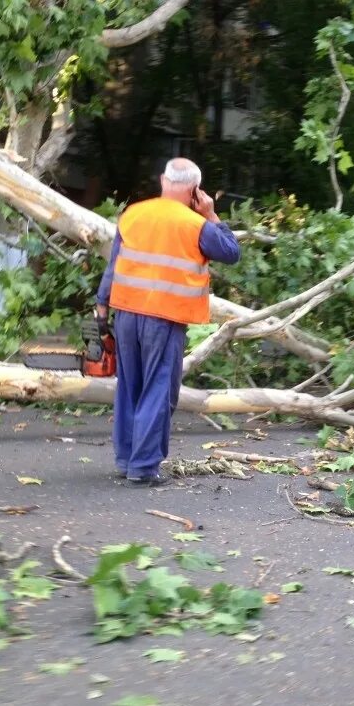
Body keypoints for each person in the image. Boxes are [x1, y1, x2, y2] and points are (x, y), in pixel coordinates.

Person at [95, 158, 241, 486]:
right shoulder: (195, 224)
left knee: (130, 386)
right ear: (195, 191)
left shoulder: (133, 214)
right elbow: (231, 251)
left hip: (126, 313)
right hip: (165, 318)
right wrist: (211, 214)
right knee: (158, 389)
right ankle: (144, 467)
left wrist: (101, 307)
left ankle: (125, 459)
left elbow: (114, 264)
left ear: (163, 180)